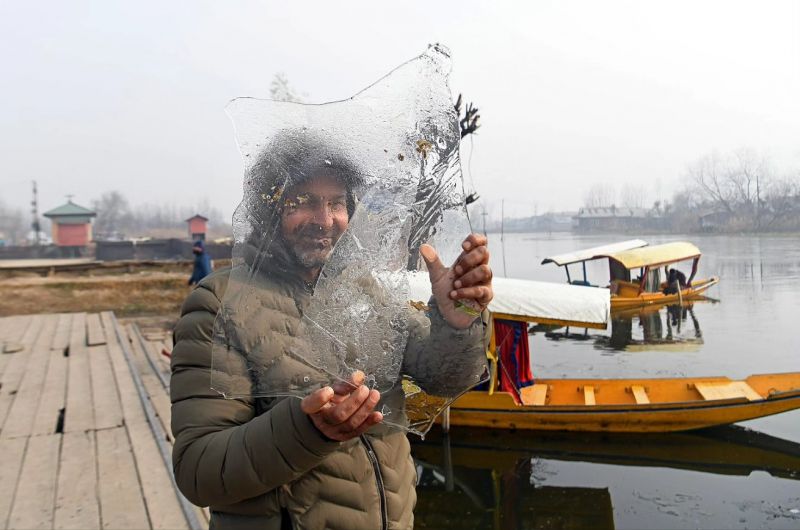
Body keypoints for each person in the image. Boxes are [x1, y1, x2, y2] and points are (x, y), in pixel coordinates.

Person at [170, 134, 494, 530]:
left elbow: (444, 377)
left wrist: (456, 322)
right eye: (301, 201)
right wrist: (308, 431)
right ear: (266, 210)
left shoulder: (364, 289)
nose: (324, 219)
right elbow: (200, 471)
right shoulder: (219, 305)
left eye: (336, 202)